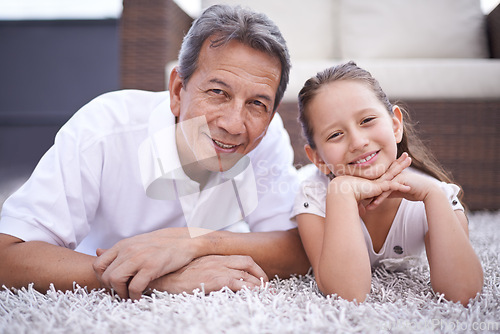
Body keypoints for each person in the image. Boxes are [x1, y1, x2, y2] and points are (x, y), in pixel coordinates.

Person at [0, 4, 310, 300]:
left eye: (257, 104)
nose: (234, 124)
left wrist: (193, 245)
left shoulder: (265, 138)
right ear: (177, 91)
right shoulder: (103, 130)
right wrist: (160, 278)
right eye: (218, 92)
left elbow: (299, 249)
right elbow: (7, 255)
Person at [292, 61, 483, 306]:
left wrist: (432, 194)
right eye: (335, 134)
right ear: (318, 158)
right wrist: (343, 193)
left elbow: (464, 292)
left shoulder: (434, 193)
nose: (358, 142)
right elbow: (346, 294)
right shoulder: (313, 193)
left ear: (395, 125)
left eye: (367, 120)